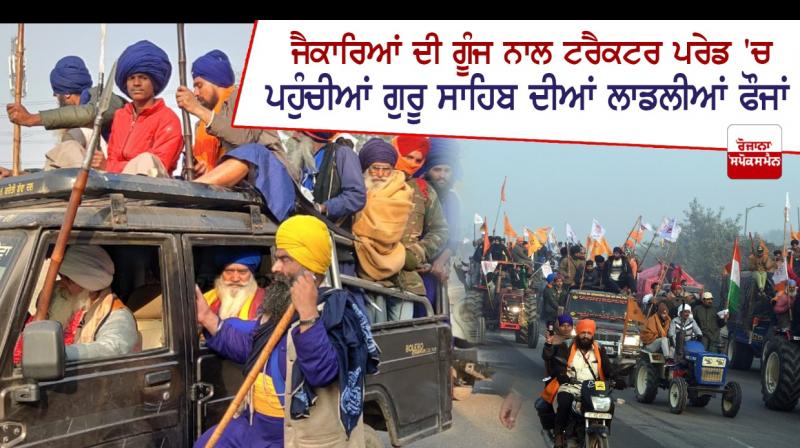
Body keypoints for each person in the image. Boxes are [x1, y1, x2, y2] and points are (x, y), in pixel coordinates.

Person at [195, 215, 379, 447]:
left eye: (284, 259)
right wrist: (208, 318)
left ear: (309, 265)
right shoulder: (279, 305)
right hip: (255, 424)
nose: (275, 267)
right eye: (276, 258)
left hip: (292, 433)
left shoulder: (338, 312)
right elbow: (252, 346)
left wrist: (308, 317)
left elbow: (323, 374)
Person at [175, 49, 286, 177]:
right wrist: (198, 169)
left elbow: (245, 140)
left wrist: (198, 110)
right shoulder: (202, 124)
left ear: (216, 81)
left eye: (199, 85)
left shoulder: (247, 96)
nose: (195, 93)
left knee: (248, 154)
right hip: (228, 190)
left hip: (270, 179)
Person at [5, 55, 126, 172]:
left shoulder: (103, 98)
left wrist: (32, 119)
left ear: (66, 93)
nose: (55, 96)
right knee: (63, 152)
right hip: (96, 168)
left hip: (118, 168)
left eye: (57, 93)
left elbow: (91, 114)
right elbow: (59, 166)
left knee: (75, 137)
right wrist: (19, 175)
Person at [97, 40, 183, 176]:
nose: (136, 83)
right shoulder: (120, 116)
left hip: (151, 188)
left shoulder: (168, 119)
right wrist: (104, 165)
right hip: (116, 181)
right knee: (68, 149)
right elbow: (112, 157)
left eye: (142, 78)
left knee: (146, 160)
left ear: (153, 82)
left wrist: (108, 166)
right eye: (131, 78)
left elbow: (157, 166)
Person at [43, 246, 137, 362]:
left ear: (88, 284)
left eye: (68, 280)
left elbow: (113, 348)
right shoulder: (69, 302)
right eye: (61, 277)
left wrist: (58, 354)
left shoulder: (117, 314)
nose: (61, 284)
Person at [550, 319, 618, 448]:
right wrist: (562, 375)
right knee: (564, 402)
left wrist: (616, 378)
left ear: (593, 334)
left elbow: (608, 368)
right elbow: (558, 365)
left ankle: (603, 429)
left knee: (610, 404)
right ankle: (559, 434)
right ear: (578, 333)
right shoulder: (567, 346)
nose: (586, 336)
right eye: (583, 332)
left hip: (593, 388)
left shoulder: (599, 348)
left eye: (589, 333)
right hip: (571, 385)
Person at [203, 249, 265, 320]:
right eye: (229, 271)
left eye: (242, 272)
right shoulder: (207, 299)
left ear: (251, 275)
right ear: (221, 274)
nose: (235, 279)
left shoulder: (265, 300)